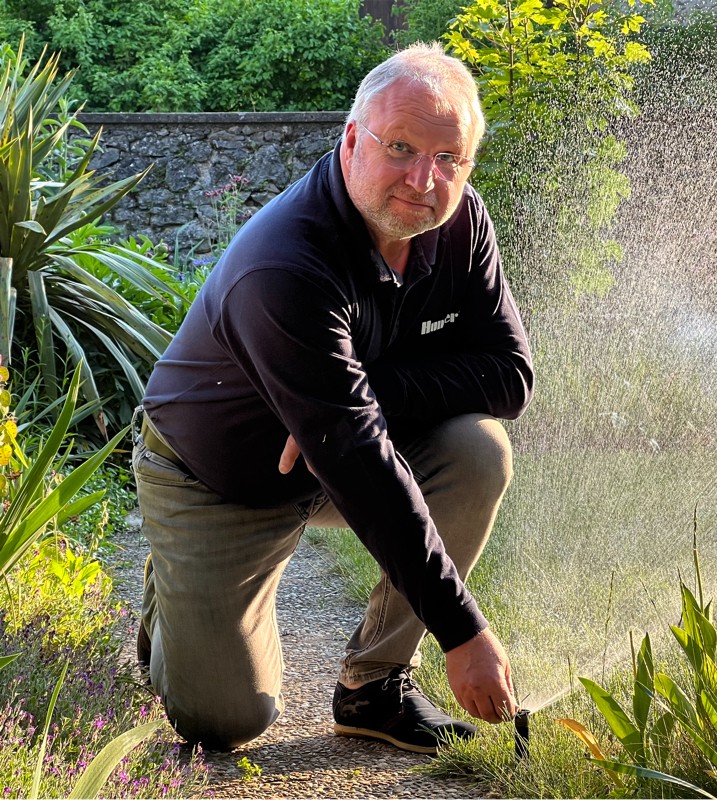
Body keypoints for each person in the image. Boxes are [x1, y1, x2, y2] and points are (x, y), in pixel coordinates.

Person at [133, 41, 534, 754]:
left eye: (449, 159)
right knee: (226, 721)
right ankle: (173, 597)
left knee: (478, 451)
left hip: (335, 453)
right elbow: (357, 462)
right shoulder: (286, 261)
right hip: (218, 479)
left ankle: (374, 688)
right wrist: (465, 632)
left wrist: (365, 394)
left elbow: (509, 375)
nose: (424, 179)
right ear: (352, 140)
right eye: (402, 146)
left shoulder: (463, 225)